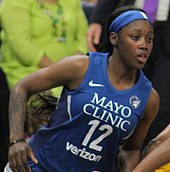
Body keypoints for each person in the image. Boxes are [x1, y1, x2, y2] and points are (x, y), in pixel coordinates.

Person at [7, 6, 159, 171]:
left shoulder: (149, 98)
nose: (144, 44)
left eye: (149, 39)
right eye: (136, 37)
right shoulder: (81, 67)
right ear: (114, 38)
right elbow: (22, 87)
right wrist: (16, 140)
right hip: (38, 166)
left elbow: (131, 149)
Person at [0, 0, 88, 96]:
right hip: (31, 73)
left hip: (74, 72)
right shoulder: (13, 3)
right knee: (59, 101)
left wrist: (76, 64)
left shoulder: (72, 2)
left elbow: (83, 37)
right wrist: (61, 71)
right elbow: (22, 46)